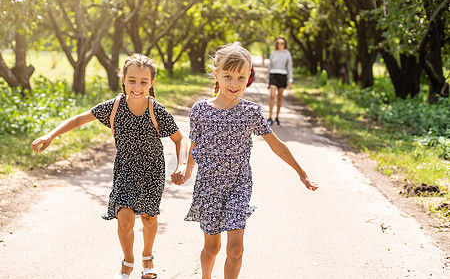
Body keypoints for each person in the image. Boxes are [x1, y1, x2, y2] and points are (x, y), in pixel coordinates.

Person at [31, 53, 186, 279]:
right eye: (132, 80)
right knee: (124, 218)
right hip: (124, 168)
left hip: (152, 169)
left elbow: (179, 139)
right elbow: (79, 119)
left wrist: (181, 165)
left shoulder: (157, 110)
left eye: (143, 82)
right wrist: (51, 134)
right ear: (123, 79)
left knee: (148, 217)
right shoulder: (114, 107)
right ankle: (128, 261)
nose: (137, 86)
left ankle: (148, 257)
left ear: (151, 83)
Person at [173, 44, 318, 279]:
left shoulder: (251, 112)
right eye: (228, 76)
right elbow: (194, 146)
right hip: (209, 185)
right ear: (216, 73)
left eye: (241, 77)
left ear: (249, 77)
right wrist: (185, 169)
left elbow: (276, 145)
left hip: (238, 185)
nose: (234, 83)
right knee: (212, 249)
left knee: (236, 250)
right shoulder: (200, 110)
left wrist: (300, 172)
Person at [267, 36, 293, 125]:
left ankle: (277, 117)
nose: (280, 45)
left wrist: (290, 80)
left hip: (282, 76)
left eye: (282, 43)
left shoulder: (287, 53)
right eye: (278, 43)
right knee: (272, 95)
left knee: (280, 97)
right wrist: (268, 79)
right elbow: (269, 67)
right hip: (273, 75)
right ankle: (270, 117)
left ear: (285, 44)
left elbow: (289, 67)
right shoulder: (273, 53)